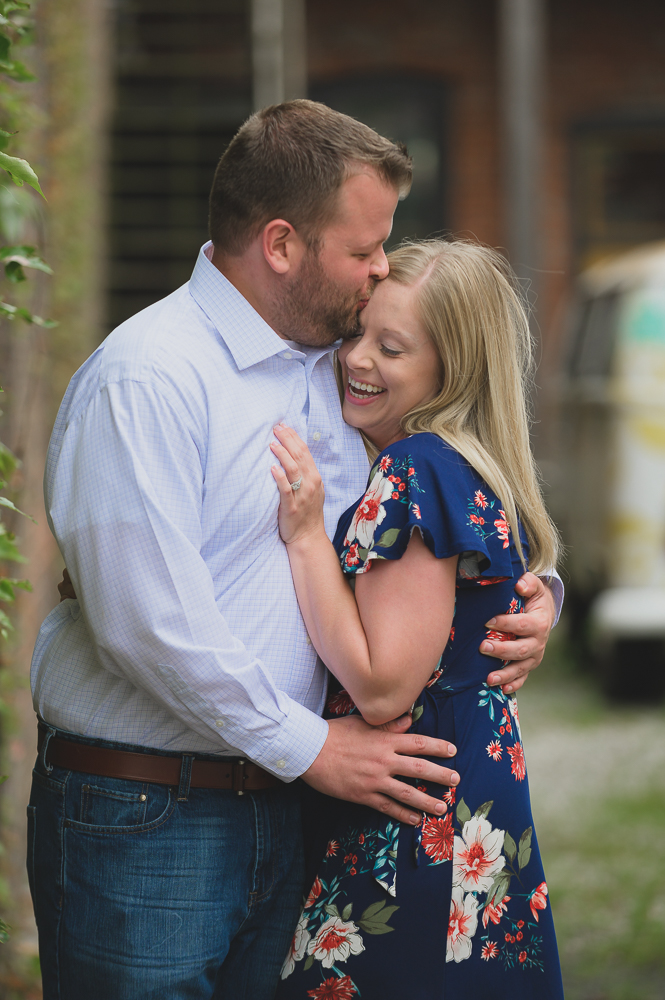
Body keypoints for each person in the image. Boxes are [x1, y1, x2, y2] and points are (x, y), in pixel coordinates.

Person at [28, 101, 561, 1000]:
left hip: (295, 811)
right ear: (281, 245)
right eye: (364, 249)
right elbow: (145, 624)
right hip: (153, 814)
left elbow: (458, 489)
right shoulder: (148, 378)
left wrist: (531, 592)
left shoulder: (344, 370)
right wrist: (310, 748)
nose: (380, 267)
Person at [271, 240, 564, 999]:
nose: (356, 359)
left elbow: (380, 688)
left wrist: (305, 540)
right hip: (460, 798)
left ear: (451, 369)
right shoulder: (459, 464)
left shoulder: (416, 469)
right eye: (358, 333)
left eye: (390, 348)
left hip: (412, 817)